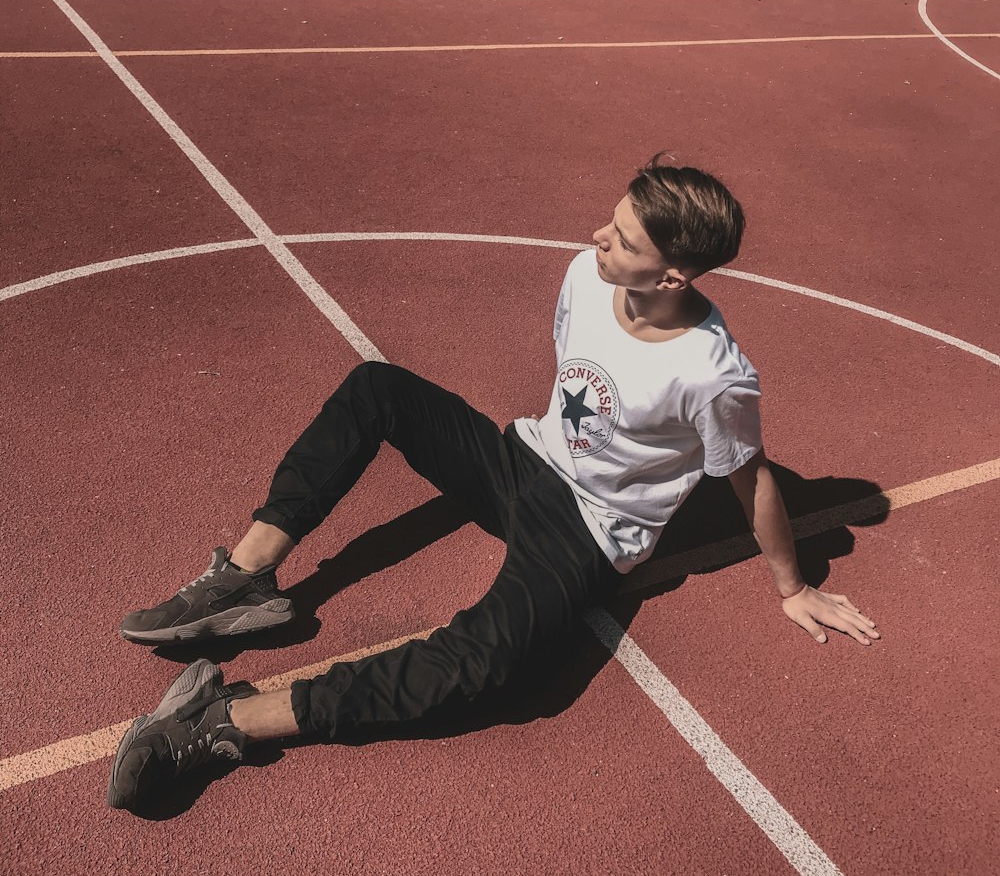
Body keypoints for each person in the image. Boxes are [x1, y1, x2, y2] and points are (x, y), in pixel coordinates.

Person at [107, 156, 879, 811]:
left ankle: (229, 717)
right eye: (611, 221)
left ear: (674, 273)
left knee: (490, 667)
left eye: (623, 238)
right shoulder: (585, 275)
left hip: (588, 531)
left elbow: (753, 479)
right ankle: (244, 578)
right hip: (522, 460)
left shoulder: (713, 375)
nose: (597, 237)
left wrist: (792, 585)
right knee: (378, 387)